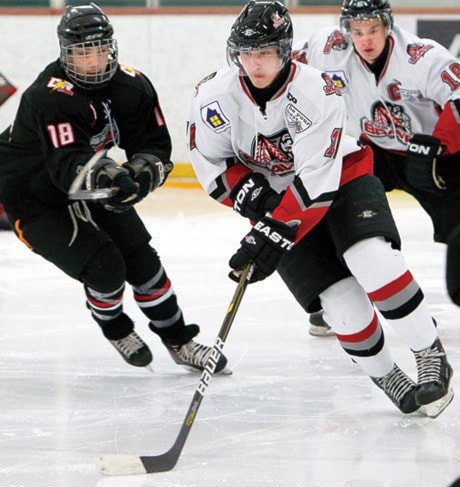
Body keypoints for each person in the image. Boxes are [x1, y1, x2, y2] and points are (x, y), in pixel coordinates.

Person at [188, 0, 454, 417]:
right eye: (247, 52)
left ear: (284, 50)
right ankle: (389, 377)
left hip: (342, 181)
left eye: (266, 53)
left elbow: (316, 178)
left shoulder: (318, 89)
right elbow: (212, 165)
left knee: (370, 259)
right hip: (279, 203)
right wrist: (250, 198)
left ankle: (428, 352)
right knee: (340, 303)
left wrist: (273, 230)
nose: (255, 64)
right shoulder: (211, 95)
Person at [0, 3, 228, 374]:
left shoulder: (132, 86)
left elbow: (153, 144)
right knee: (105, 268)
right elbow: (67, 165)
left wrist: (139, 173)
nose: (91, 61)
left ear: (112, 47)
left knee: (143, 261)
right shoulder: (49, 95)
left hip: (85, 178)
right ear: (64, 53)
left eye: (98, 50)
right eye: (80, 53)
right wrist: (111, 176)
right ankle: (115, 327)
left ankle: (180, 342)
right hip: (32, 194)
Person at [292, 0, 460, 336]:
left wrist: (440, 144)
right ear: (346, 32)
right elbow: (283, 70)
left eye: (373, 30)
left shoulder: (421, 56)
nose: (365, 39)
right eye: (357, 32)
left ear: (388, 27)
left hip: (435, 156)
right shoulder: (328, 48)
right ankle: (338, 299)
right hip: (378, 151)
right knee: (332, 206)